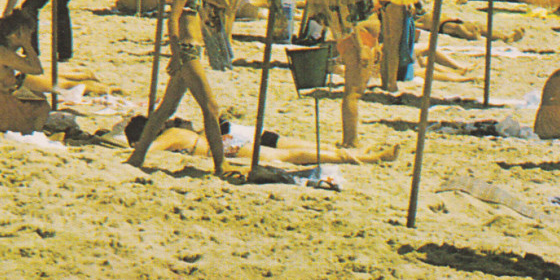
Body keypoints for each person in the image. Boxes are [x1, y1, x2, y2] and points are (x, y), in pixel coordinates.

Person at [126, 0, 227, 175]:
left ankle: (137, 156)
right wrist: (175, 54)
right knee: (211, 107)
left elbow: (223, 2)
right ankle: (221, 165)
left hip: (193, 52)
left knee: (166, 109)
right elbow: (172, 19)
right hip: (186, 52)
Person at [122, 115, 400, 167]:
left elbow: (145, 151)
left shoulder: (171, 137)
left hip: (230, 148)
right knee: (293, 153)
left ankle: (368, 158)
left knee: (291, 155)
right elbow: (149, 148)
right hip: (229, 146)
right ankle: (366, 157)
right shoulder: (172, 135)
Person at [0, 12, 50, 135]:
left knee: (36, 96)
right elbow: (36, 69)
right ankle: (34, 133)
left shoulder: (2, 52)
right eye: (26, 33)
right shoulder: (3, 54)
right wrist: (27, 45)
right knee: (42, 106)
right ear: (14, 35)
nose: (29, 36)